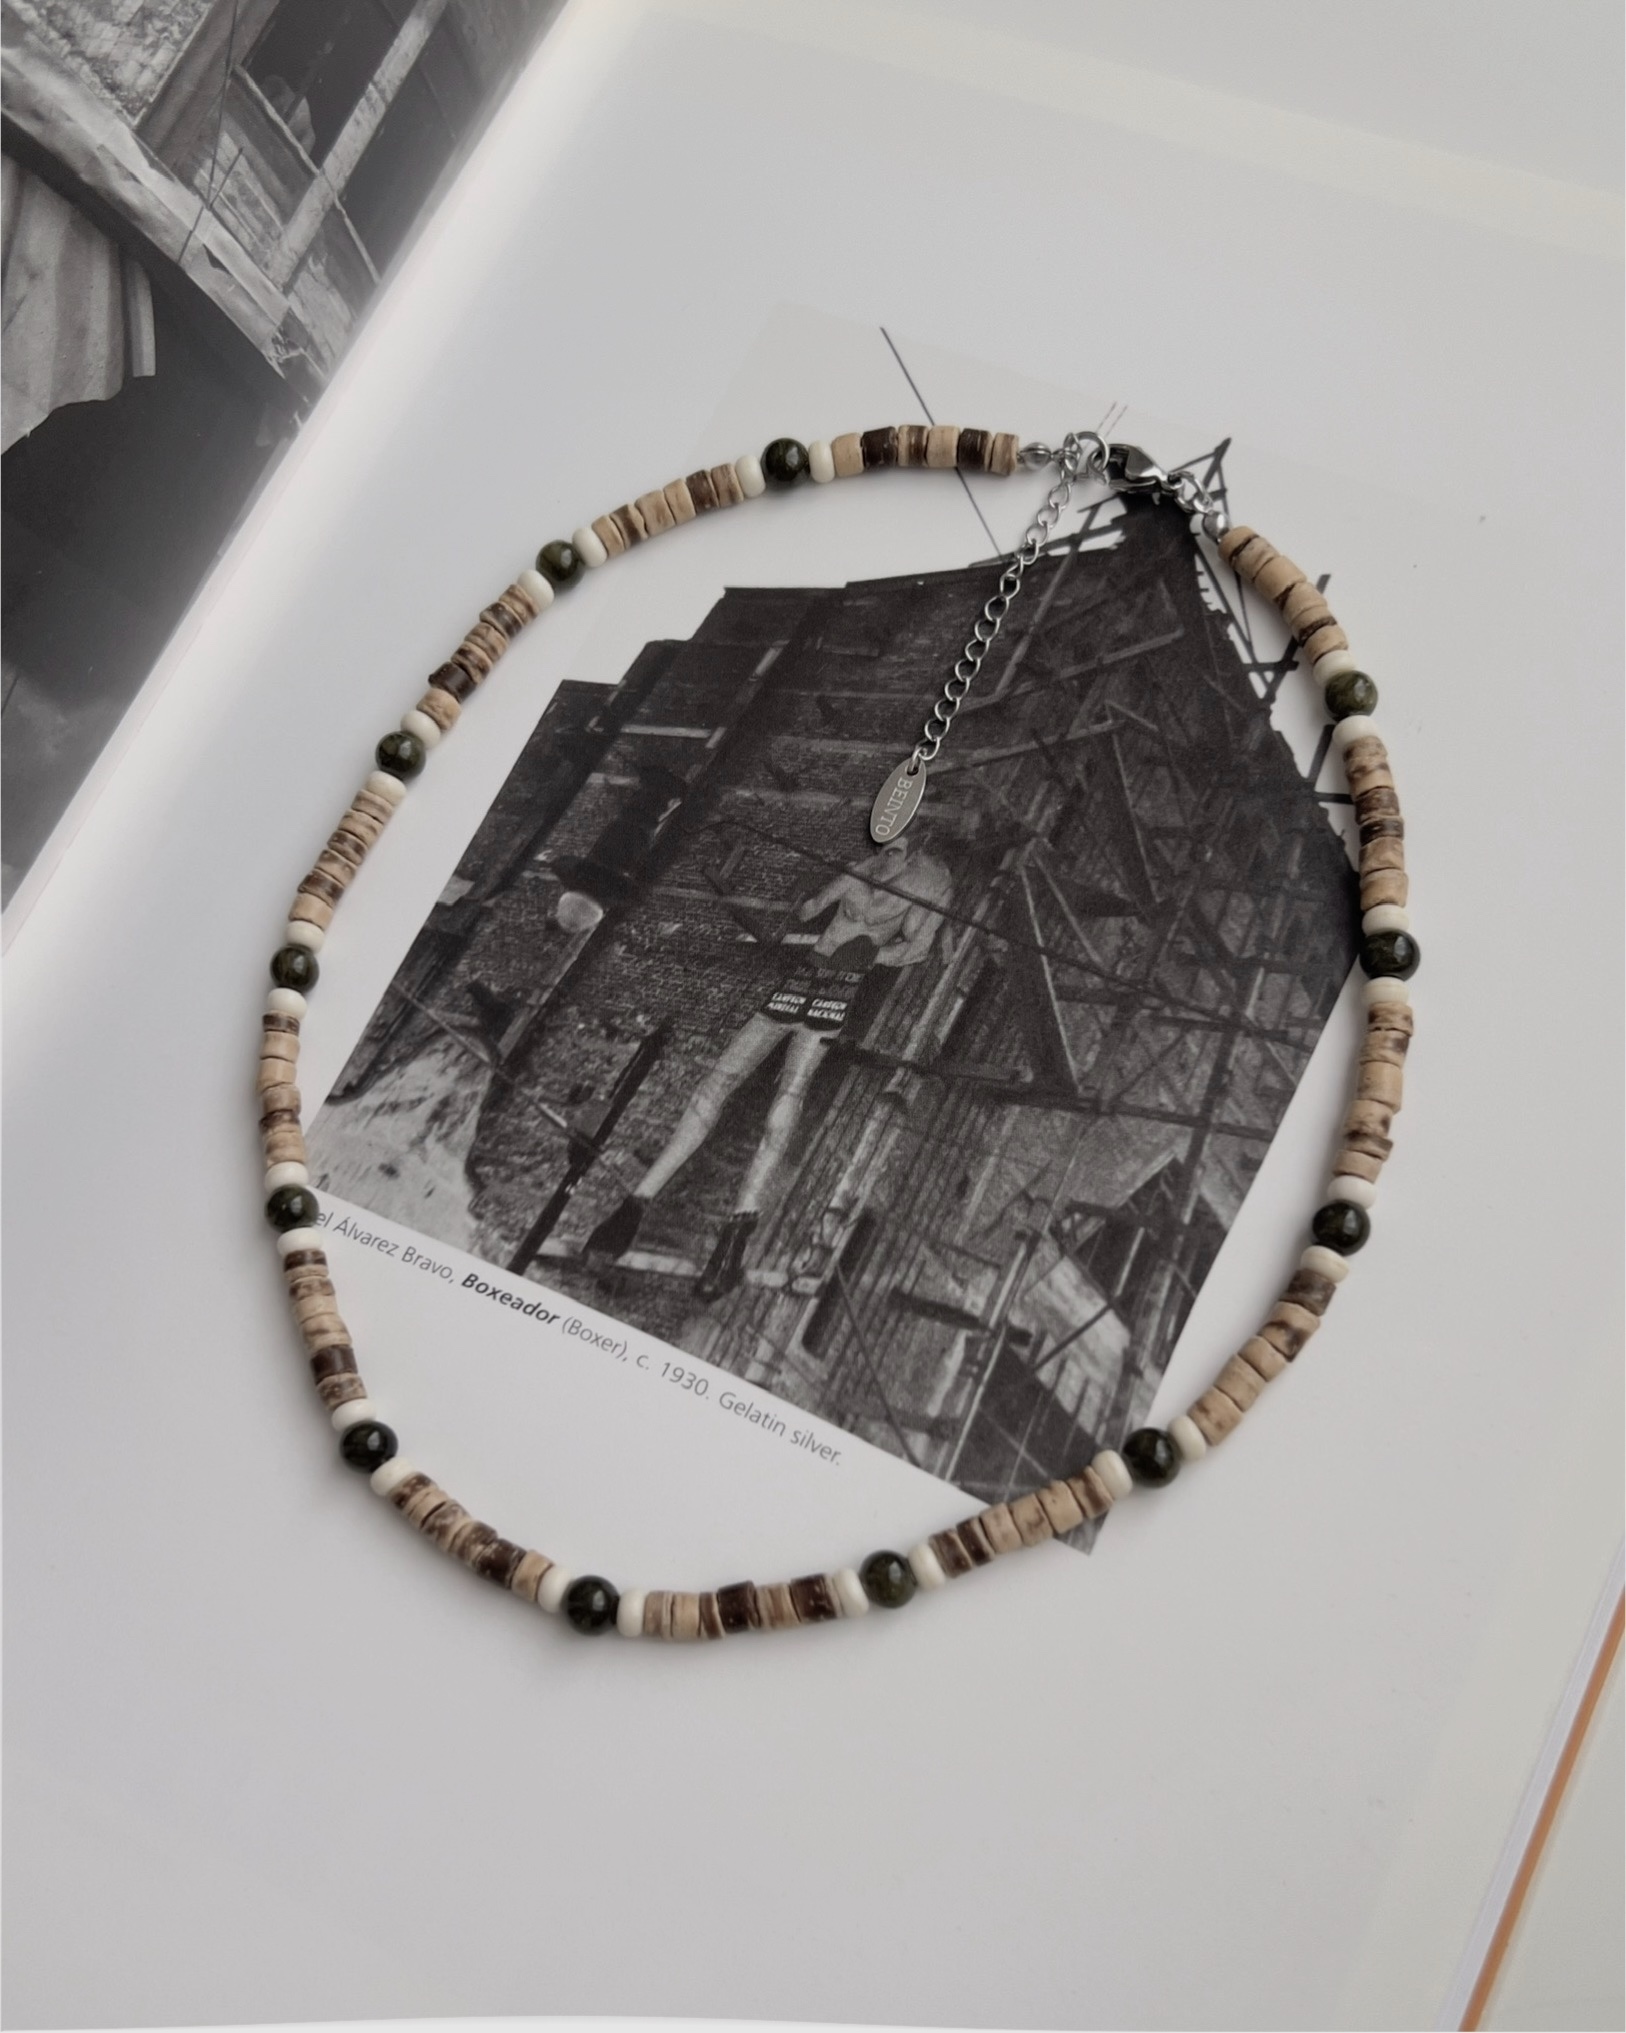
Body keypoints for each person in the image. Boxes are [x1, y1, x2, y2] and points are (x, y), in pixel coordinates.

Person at [583, 830, 953, 1298]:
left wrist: (869, 953)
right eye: (885, 846)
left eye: (897, 850)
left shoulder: (930, 883)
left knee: (788, 1097)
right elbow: (809, 911)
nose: (887, 856)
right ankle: (633, 1206)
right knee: (716, 1082)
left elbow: (916, 950)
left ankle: (734, 1237)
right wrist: (803, 900)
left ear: (915, 852)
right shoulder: (862, 868)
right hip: (803, 975)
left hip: (839, 988)